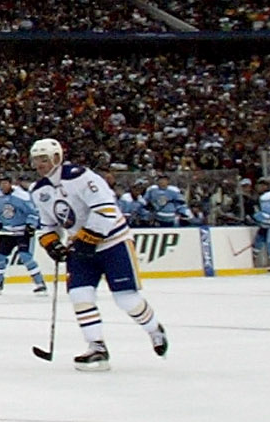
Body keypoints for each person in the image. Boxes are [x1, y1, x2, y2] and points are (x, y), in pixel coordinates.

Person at [29, 137, 171, 367]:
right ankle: (96, 347)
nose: (39, 165)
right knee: (79, 295)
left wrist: (88, 239)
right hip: (81, 247)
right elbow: (47, 224)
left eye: (44, 159)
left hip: (113, 241)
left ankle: (154, 329)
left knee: (126, 299)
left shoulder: (81, 176)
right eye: (36, 160)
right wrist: (51, 243)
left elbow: (105, 208)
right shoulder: (39, 191)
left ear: (57, 157)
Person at [0, 176, 47, 294]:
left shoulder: (21, 196)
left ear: (10, 184)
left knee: (25, 257)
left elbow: (33, 212)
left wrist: (31, 225)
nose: (3, 186)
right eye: (1, 183)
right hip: (7, 231)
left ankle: (40, 283)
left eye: (6, 183)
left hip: (22, 231)